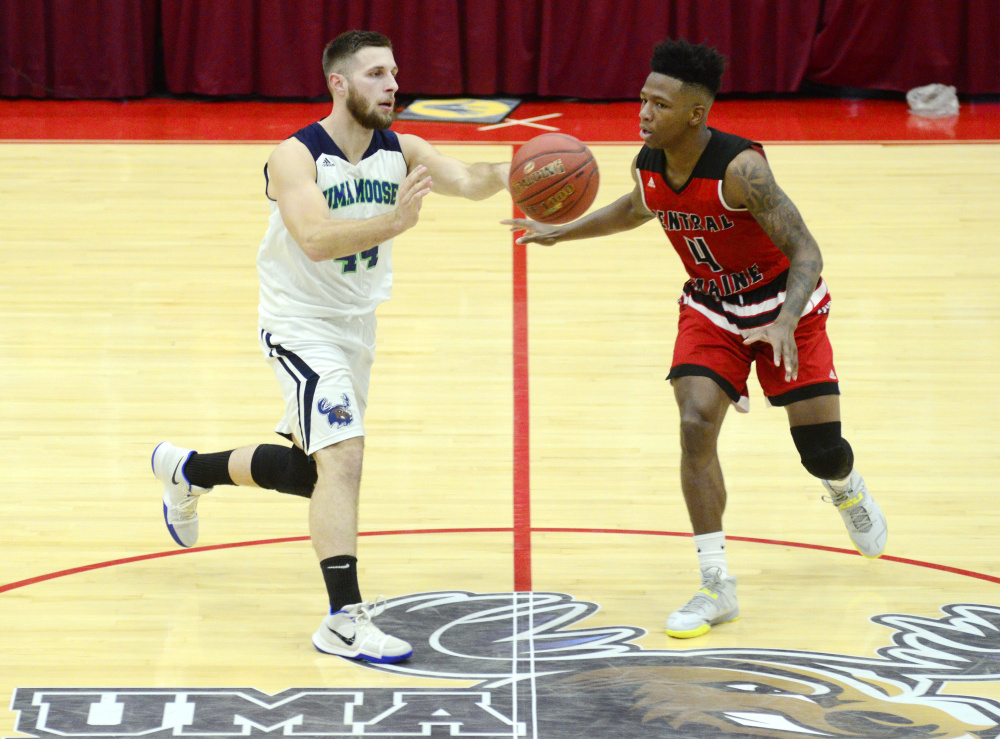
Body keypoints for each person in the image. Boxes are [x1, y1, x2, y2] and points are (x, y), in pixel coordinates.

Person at [503, 38, 886, 639]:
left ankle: (845, 487)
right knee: (693, 423)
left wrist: (785, 320)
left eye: (659, 104)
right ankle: (716, 585)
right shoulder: (650, 161)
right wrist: (563, 232)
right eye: (643, 100)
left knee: (821, 451)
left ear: (696, 113)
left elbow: (805, 249)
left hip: (786, 306)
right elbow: (638, 207)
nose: (644, 113)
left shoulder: (742, 169)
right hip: (712, 308)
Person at [151, 30, 509, 663]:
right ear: (339, 84)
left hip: (356, 326)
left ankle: (186, 469)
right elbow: (314, 238)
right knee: (344, 457)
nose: (393, 84)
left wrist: (532, 171)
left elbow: (472, 179)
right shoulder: (294, 156)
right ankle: (343, 618)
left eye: (394, 72)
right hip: (298, 323)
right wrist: (395, 222)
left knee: (312, 473)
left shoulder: (403, 148)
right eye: (376, 74)